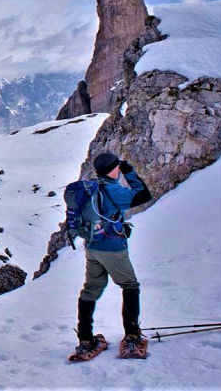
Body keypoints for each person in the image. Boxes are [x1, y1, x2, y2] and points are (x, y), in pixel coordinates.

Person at [74, 152, 152, 357]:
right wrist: (130, 172)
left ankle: (85, 338)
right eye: (117, 166)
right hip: (113, 249)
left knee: (90, 289)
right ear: (113, 170)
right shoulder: (113, 190)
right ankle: (132, 335)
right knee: (130, 285)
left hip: (92, 247)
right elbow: (143, 194)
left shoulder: (93, 187)